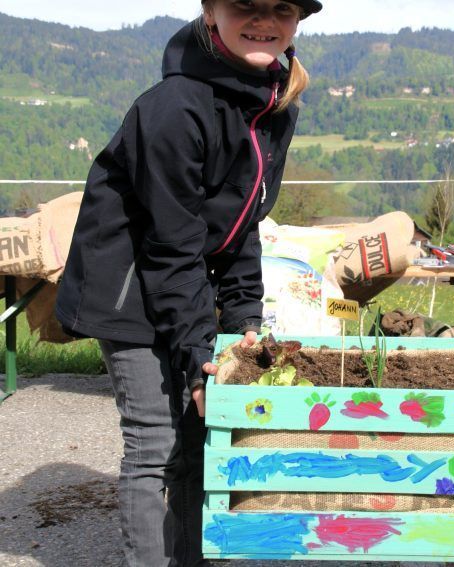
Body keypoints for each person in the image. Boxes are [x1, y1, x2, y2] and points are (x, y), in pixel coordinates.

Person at [55, 1, 322, 564]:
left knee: (202, 441)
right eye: (245, 5)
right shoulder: (176, 107)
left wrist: (245, 319)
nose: (263, 19)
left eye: (280, 8)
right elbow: (170, 244)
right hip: (126, 285)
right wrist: (202, 352)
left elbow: (244, 221)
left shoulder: (275, 109)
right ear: (210, 11)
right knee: (156, 444)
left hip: (178, 275)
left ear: (298, 20)